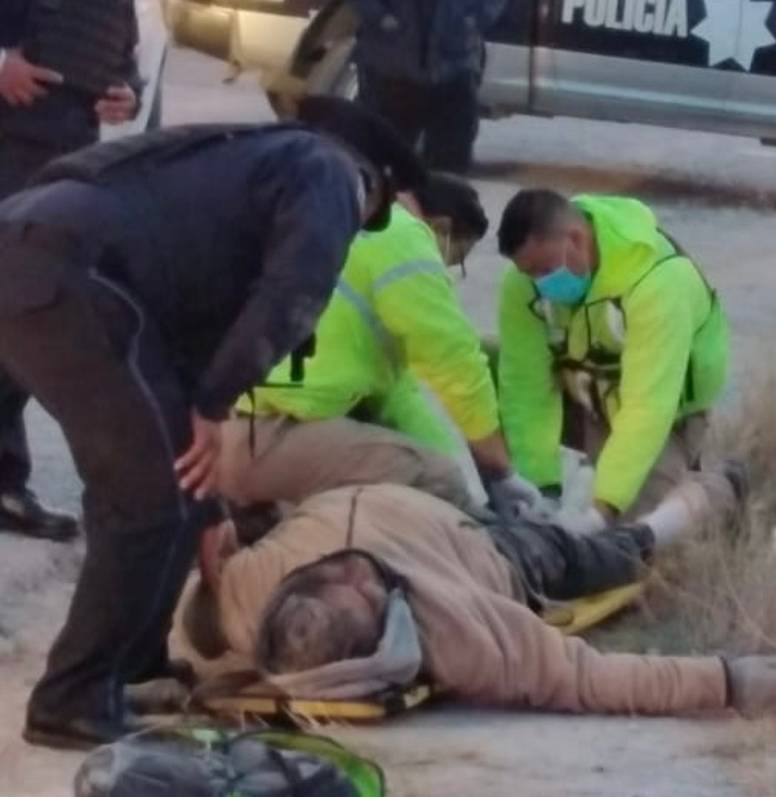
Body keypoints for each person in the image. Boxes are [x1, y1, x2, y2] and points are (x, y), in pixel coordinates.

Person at [0, 96, 426, 750]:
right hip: (74, 273)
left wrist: (210, 504)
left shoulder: (237, 162)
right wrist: (217, 404)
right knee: (145, 500)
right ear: (378, 185)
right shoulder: (330, 172)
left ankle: (133, 667)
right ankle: (71, 700)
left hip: (35, 248)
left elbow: (184, 350)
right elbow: (293, 295)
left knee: (175, 479)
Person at [180, 470, 776, 718]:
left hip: (415, 492)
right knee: (601, 554)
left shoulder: (243, 599)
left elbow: (180, 606)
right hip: (493, 550)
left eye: (327, 577)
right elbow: (588, 677)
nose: (351, 571)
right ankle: (700, 501)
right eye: (364, 594)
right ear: (383, 639)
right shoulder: (462, 635)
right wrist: (726, 681)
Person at [218, 173, 544, 518]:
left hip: (229, 424)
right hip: (268, 433)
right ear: (441, 228)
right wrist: (498, 473)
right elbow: (455, 362)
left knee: (415, 463)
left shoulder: (335, 226)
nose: (445, 270)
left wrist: (458, 474)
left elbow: (399, 397)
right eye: (454, 259)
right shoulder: (400, 234)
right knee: (436, 483)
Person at [496, 190, 729, 535]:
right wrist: (540, 489)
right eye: (529, 273)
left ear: (577, 239)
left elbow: (646, 408)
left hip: (664, 413)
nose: (540, 284)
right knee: (484, 374)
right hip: (590, 398)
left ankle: (723, 487)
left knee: (634, 530)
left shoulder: (657, 282)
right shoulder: (525, 283)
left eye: (545, 270)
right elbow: (524, 389)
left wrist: (602, 510)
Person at [0, 0, 142, 540]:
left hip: (66, 162)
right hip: (9, 145)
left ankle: (4, 480)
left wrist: (127, 93)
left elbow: (120, 52)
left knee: (26, 318)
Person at [349, 0, 509, 173]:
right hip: (390, 65)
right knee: (384, 161)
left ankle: (442, 185)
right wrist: (379, 16)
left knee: (451, 163)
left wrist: (476, 18)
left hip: (454, 62)